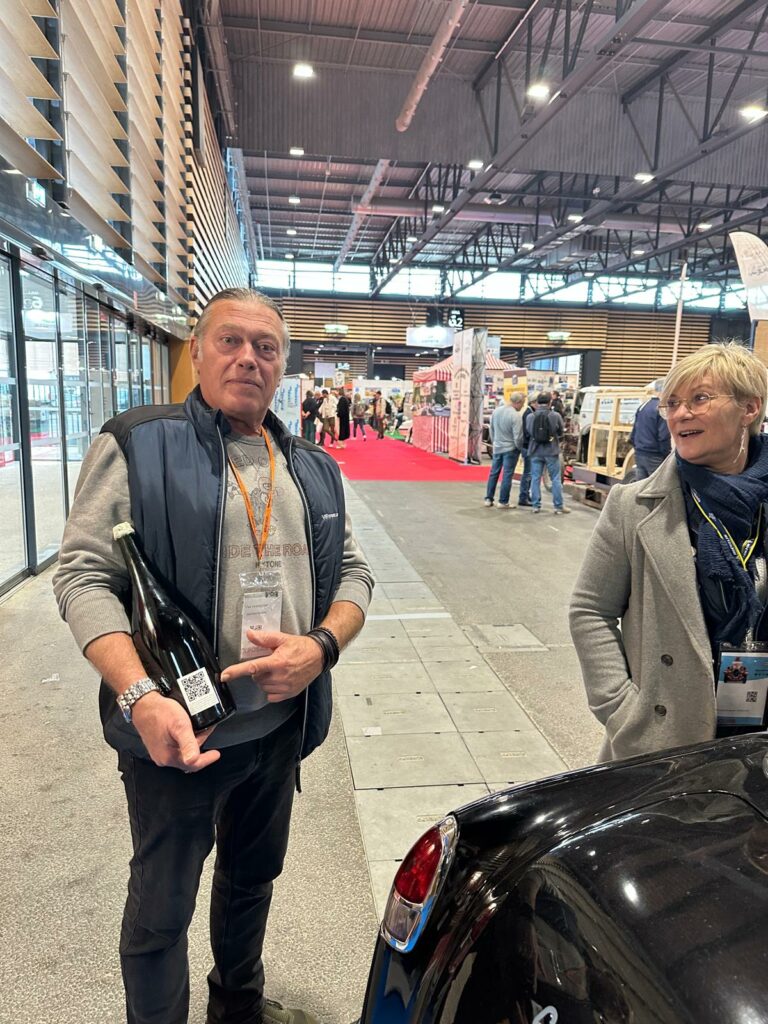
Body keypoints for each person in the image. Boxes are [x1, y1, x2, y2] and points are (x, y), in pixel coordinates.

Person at [52, 287, 374, 1024]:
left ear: (283, 365)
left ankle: (238, 1006)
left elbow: (354, 574)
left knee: (252, 880)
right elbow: (83, 577)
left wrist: (322, 647)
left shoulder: (313, 467)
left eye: (266, 347)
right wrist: (140, 695)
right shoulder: (138, 443)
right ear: (195, 352)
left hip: (278, 732)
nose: (247, 358)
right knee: (161, 912)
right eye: (230, 340)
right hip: (178, 738)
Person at [570, 342, 768, 762]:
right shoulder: (633, 505)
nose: (680, 415)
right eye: (672, 403)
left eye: (700, 398)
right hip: (665, 739)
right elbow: (590, 610)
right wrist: (624, 711)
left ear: (749, 409)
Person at [528, 392, 570, 515]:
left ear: (537, 402)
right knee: (555, 478)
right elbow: (561, 432)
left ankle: (535, 506)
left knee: (535, 478)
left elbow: (528, 432)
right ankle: (558, 506)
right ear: (550, 402)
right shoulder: (555, 416)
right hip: (551, 451)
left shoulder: (530, 417)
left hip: (535, 451)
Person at [483, 393, 525, 509]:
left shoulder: (496, 411)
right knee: (507, 475)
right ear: (518, 402)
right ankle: (503, 501)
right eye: (522, 403)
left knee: (494, 473)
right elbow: (518, 437)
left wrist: (495, 443)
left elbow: (491, 430)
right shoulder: (516, 416)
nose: (523, 406)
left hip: (497, 447)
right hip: (510, 449)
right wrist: (519, 448)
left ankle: (488, 499)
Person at [628, 384, 672, 479]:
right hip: (655, 456)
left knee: (641, 485)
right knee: (657, 485)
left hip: (639, 453)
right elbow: (663, 436)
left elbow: (634, 432)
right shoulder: (662, 409)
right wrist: (667, 455)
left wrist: (637, 447)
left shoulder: (643, 406)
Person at [517, 400, 535, 507]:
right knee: (528, 473)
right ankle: (523, 497)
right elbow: (527, 432)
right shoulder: (529, 414)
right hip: (527, 446)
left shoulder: (528, 413)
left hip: (526, 446)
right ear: (533, 402)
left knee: (529, 473)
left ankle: (525, 495)